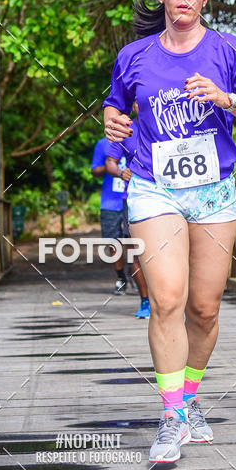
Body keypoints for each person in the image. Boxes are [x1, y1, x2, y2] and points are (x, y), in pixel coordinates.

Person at [103, 0, 236, 463]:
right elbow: (116, 107)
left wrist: (224, 99)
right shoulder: (134, 55)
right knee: (167, 300)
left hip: (213, 191)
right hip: (154, 187)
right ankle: (171, 415)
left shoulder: (229, 50)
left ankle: (191, 395)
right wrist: (112, 123)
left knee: (204, 309)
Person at [105, 103, 151, 318]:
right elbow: (110, 163)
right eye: (135, 100)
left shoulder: (171, 122)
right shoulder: (126, 128)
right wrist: (121, 172)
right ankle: (145, 301)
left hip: (172, 197)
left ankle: (176, 300)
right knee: (135, 252)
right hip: (133, 197)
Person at [90, 135, 132, 294]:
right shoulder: (103, 143)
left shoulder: (139, 135)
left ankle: (134, 274)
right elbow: (94, 170)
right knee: (113, 240)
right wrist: (109, 166)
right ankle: (121, 277)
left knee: (133, 240)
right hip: (110, 201)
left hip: (133, 198)